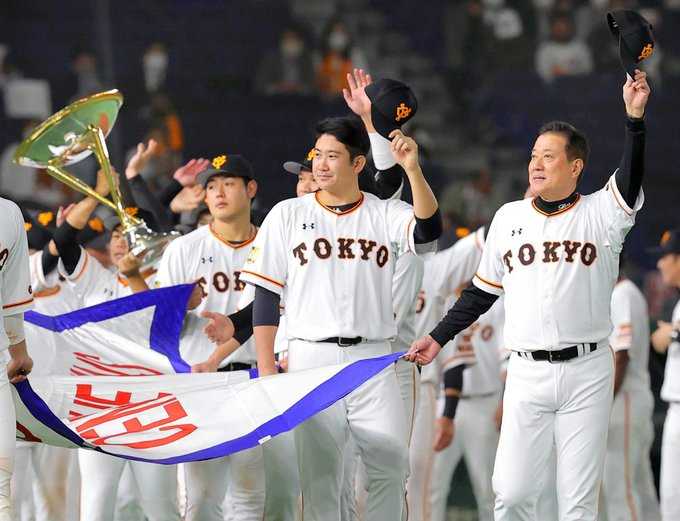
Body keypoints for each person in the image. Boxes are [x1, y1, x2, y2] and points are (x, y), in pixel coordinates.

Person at [407, 70, 650, 521]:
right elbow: (479, 293)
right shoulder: (508, 218)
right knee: (513, 494)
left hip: (586, 371)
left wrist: (634, 119)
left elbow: (630, 179)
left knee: (577, 501)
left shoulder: (601, 212)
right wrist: (438, 337)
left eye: (549, 156)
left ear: (575, 167)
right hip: (525, 371)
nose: (536, 164)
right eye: (534, 155)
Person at [241, 110, 441, 521]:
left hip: (372, 358)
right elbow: (266, 295)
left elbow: (427, 230)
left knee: (391, 467)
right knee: (321, 480)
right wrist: (266, 369)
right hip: (311, 358)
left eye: (333, 156)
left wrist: (413, 170)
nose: (321, 164)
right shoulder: (287, 213)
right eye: (318, 154)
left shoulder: (383, 212)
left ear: (358, 163)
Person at [52, 171, 181, 521]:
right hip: (100, 406)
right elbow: (63, 241)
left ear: (153, 243)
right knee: (98, 507)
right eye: (117, 234)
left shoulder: (170, 281)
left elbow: (159, 326)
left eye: (132, 234)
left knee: (161, 508)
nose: (122, 241)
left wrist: (135, 276)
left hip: (154, 409)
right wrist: (95, 194)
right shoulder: (96, 278)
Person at [153, 154, 265, 521]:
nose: (218, 193)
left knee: (253, 497)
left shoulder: (273, 245)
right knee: (200, 500)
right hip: (200, 380)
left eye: (228, 184)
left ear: (250, 189)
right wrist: (180, 307)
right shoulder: (183, 249)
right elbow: (159, 331)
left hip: (258, 376)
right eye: (211, 186)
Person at [601, 257, 660, 521]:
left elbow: (621, 355)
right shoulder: (627, 291)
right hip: (632, 398)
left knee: (619, 491)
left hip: (623, 399)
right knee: (640, 487)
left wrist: (603, 405)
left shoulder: (621, 294)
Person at [0, 197, 34, 521]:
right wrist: (20, 353)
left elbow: (10, 299)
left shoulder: (8, 214)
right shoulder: (7, 213)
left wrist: (19, 354)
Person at [650, 229, 680, 521]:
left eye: (665, 257)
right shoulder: (676, 303)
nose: (660, 264)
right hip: (675, 406)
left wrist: (672, 333)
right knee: (671, 505)